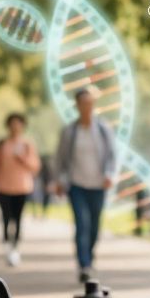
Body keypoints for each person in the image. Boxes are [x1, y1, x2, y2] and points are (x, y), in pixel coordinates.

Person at [54, 87, 118, 283]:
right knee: (82, 224)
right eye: (84, 103)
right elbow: (61, 159)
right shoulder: (69, 132)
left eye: (91, 103)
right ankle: (84, 265)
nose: (88, 107)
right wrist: (60, 180)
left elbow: (112, 156)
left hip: (98, 185)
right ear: (77, 105)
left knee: (94, 227)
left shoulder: (103, 129)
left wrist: (109, 175)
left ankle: (89, 256)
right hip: (77, 185)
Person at [0, 113, 40, 267]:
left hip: (22, 188)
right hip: (3, 188)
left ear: (23, 126)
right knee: (5, 218)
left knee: (18, 219)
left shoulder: (27, 144)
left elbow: (35, 167)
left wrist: (23, 159)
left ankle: (15, 248)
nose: (15, 127)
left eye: (18, 124)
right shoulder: (1, 145)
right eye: (12, 124)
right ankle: (7, 246)